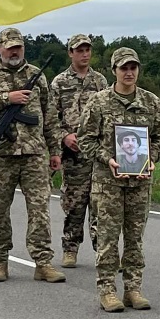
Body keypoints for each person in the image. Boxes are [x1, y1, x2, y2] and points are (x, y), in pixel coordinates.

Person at [0, 28, 66, 284]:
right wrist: (6, 98)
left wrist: (55, 150)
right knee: (0, 210)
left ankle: (43, 262)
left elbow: (50, 116)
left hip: (34, 154)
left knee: (40, 210)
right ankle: (0, 260)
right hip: (2, 155)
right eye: (10, 47)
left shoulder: (37, 75)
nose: (14, 51)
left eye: (18, 47)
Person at [79, 47, 160, 312]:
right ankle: (107, 289)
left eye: (133, 67)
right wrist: (107, 157)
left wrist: (152, 158)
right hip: (108, 182)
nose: (129, 73)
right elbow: (85, 138)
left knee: (134, 237)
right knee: (107, 237)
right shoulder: (99, 102)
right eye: (123, 68)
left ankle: (133, 288)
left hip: (140, 181)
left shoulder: (150, 102)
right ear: (114, 71)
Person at [50, 33, 108, 269]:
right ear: (71, 53)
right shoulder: (59, 82)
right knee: (74, 204)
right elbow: (51, 118)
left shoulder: (101, 82)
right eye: (79, 50)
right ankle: (70, 248)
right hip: (73, 155)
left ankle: (102, 250)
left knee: (100, 204)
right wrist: (64, 137)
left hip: (97, 153)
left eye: (87, 50)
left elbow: (109, 113)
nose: (84, 54)